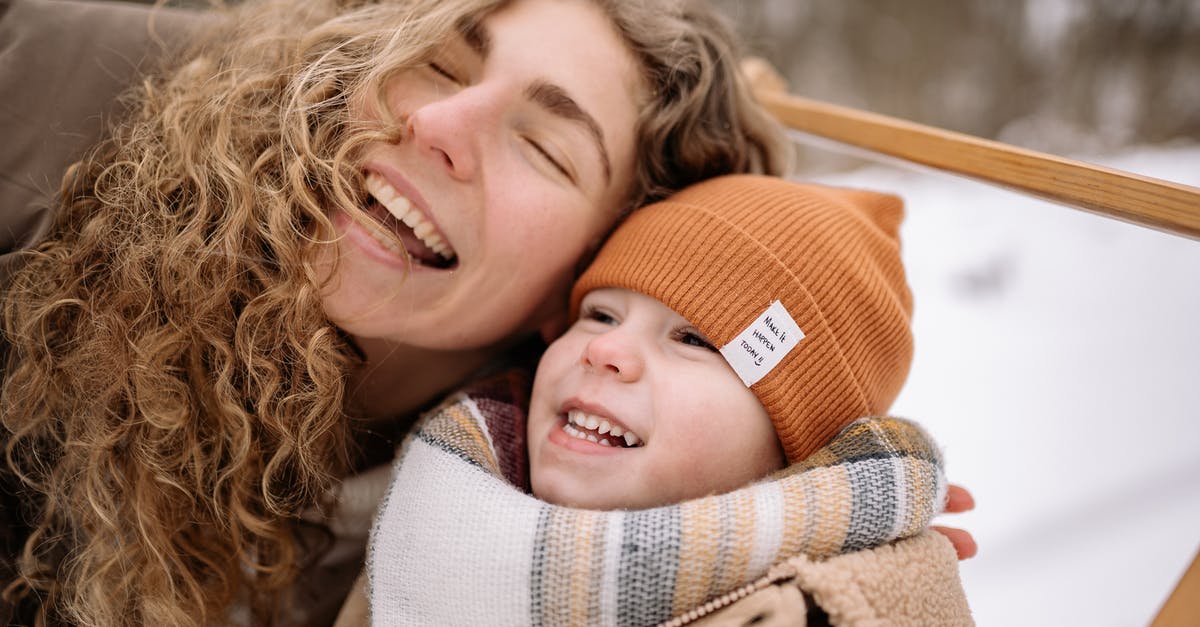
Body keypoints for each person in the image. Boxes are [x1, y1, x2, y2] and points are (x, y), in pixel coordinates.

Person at [0, 0, 790, 625]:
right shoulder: (40, 87)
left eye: (545, 148)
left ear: (589, 279)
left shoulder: (504, 533)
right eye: (440, 65)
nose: (438, 126)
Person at [363, 174, 972, 625]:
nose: (608, 351)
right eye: (600, 314)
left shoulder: (803, 613)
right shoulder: (434, 491)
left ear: (794, 451)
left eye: (694, 340)